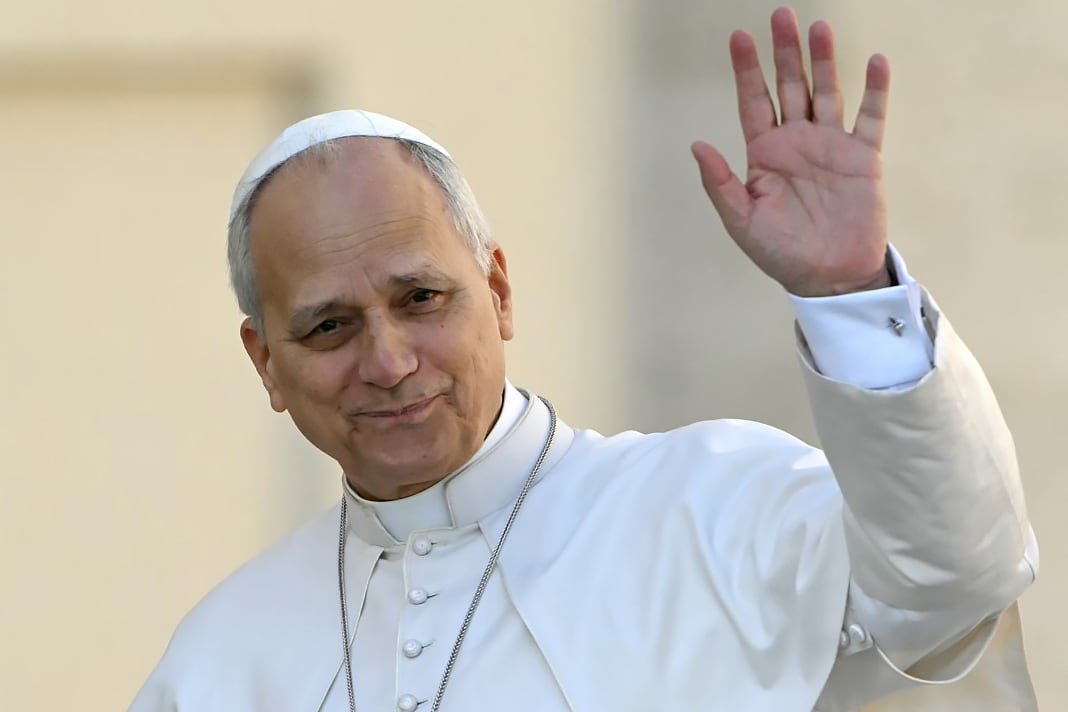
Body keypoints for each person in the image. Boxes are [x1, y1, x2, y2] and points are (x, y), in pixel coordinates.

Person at [131, 7, 1039, 711]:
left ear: (499, 291)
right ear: (265, 364)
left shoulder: (714, 511)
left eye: (421, 299)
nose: (390, 360)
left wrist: (849, 291)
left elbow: (955, 575)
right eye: (330, 327)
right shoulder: (216, 664)